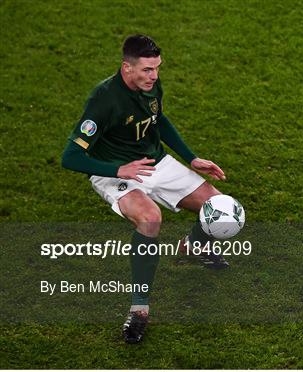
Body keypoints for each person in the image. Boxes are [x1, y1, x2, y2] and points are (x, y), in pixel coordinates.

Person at [62, 34, 232, 344]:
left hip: (154, 162)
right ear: (127, 67)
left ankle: (193, 246)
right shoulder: (103, 100)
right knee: (150, 219)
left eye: (157, 69)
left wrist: (192, 158)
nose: (154, 76)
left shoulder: (151, 86)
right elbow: (70, 157)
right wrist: (117, 170)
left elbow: (158, 119)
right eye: (147, 70)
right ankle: (139, 309)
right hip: (115, 170)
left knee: (220, 209)